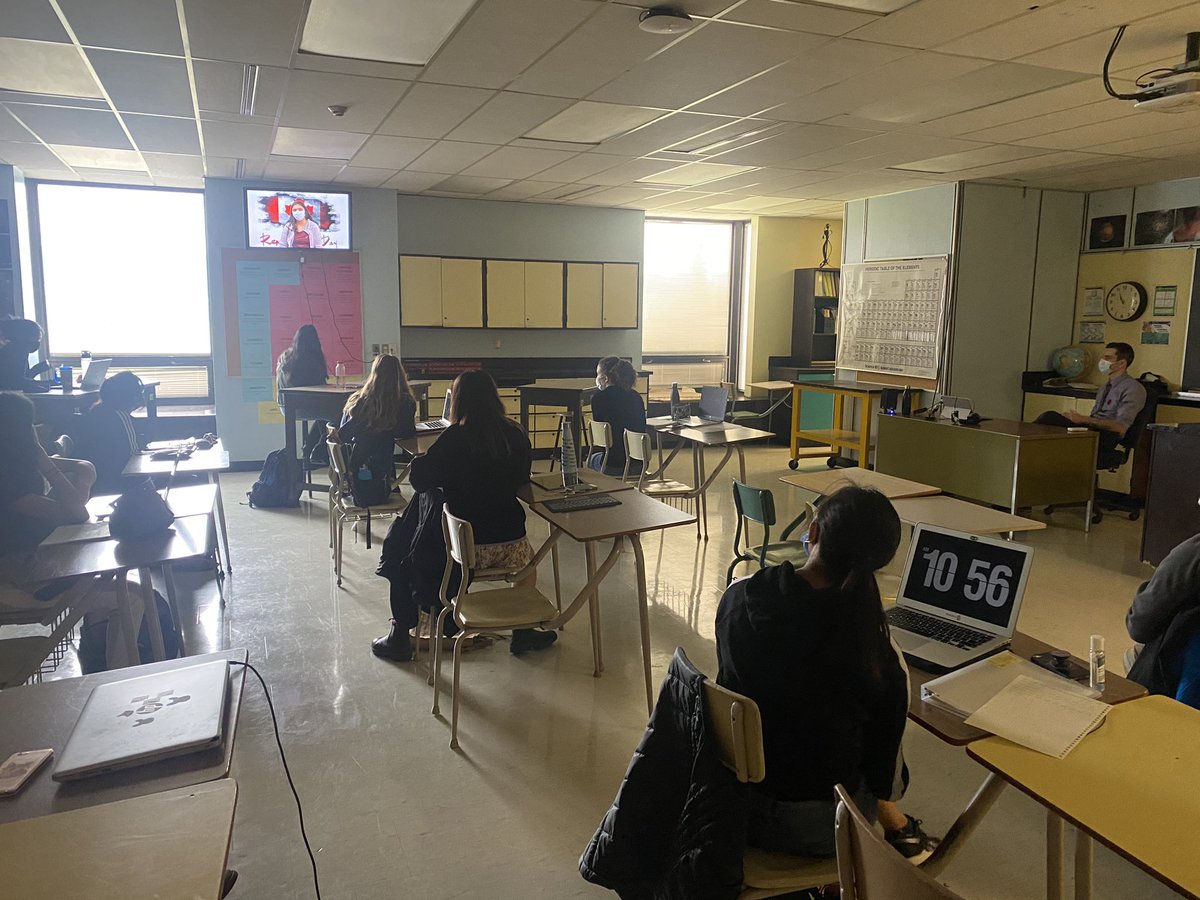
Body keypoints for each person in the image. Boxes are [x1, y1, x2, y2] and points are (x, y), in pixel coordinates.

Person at [715, 485, 938, 861]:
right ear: (880, 563)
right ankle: (895, 837)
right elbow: (886, 782)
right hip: (817, 828)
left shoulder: (737, 598)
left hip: (728, 802)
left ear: (813, 532)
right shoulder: (879, 655)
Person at [372, 370, 556, 661]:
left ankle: (401, 631)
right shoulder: (515, 433)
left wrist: (427, 460)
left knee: (414, 523)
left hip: (464, 551)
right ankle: (524, 630)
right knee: (527, 562)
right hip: (510, 547)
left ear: (458, 401)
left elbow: (419, 481)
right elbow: (522, 477)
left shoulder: (455, 437)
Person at [0, 391, 95, 554]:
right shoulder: (8, 478)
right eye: (32, 424)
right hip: (20, 559)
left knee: (71, 478)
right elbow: (78, 515)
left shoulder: (15, 459)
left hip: (36, 543)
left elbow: (84, 467)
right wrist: (42, 457)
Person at [1126, 533, 1200, 709]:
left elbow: (1140, 626)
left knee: (1134, 653)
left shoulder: (1192, 555)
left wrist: (1151, 586)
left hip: (1182, 703)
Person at [1034, 342, 1146, 456]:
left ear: (1121, 363)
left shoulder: (1133, 388)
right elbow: (1095, 417)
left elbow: (1120, 428)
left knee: (1049, 417)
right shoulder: (1104, 388)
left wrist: (1083, 419)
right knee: (1051, 423)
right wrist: (1077, 420)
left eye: (1107, 358)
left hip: (1106, 437)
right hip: (1091, 430)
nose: (1102, 361)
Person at [339, 353, 417, 480]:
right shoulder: (404, 402)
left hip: (354, 471)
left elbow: (343, 433)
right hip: (379, 475)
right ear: (399, 375)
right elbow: (407, 433)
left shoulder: (357, 401)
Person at [75, 371, 145, 494]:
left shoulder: (96, 412)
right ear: (131, 398)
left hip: (94, 480)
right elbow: (133, 454)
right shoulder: (121, 418)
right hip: (115, 481)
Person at [276, 324, 329, 464]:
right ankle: (320, 448)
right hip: (305, 406)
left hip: (285, 406)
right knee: (336, 413)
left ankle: (311, 449)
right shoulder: (311, 360)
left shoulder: (286, 357)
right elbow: (320, 387)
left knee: (324, 415)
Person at [588, 356, 645, 477]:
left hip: (610, 464)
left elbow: (602, 440)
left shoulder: (598, 399)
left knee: (591, 459)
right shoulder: (636, 397)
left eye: (598, 374)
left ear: (606, 378)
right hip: (639, 464)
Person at [0, 317, 48, 392]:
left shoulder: (14, 348)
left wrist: (37, 369)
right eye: (36, 339)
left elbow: (20, 377)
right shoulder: (18, 350)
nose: (38, 344)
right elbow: (17, 382)